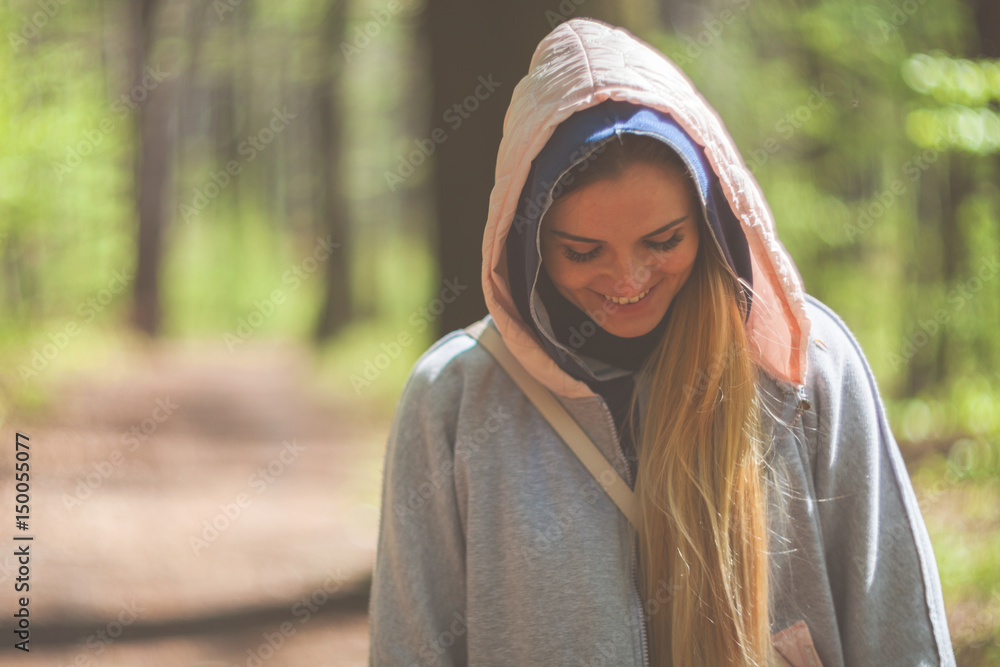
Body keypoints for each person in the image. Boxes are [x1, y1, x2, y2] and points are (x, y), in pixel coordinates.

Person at [368, 17, 956, 667]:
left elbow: (896, 626)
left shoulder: (806, 367)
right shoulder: (452, 401)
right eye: (584, 250)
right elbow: (412, 646)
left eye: (663, 240)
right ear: (528, 242)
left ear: (709, 219)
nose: (628, 280)